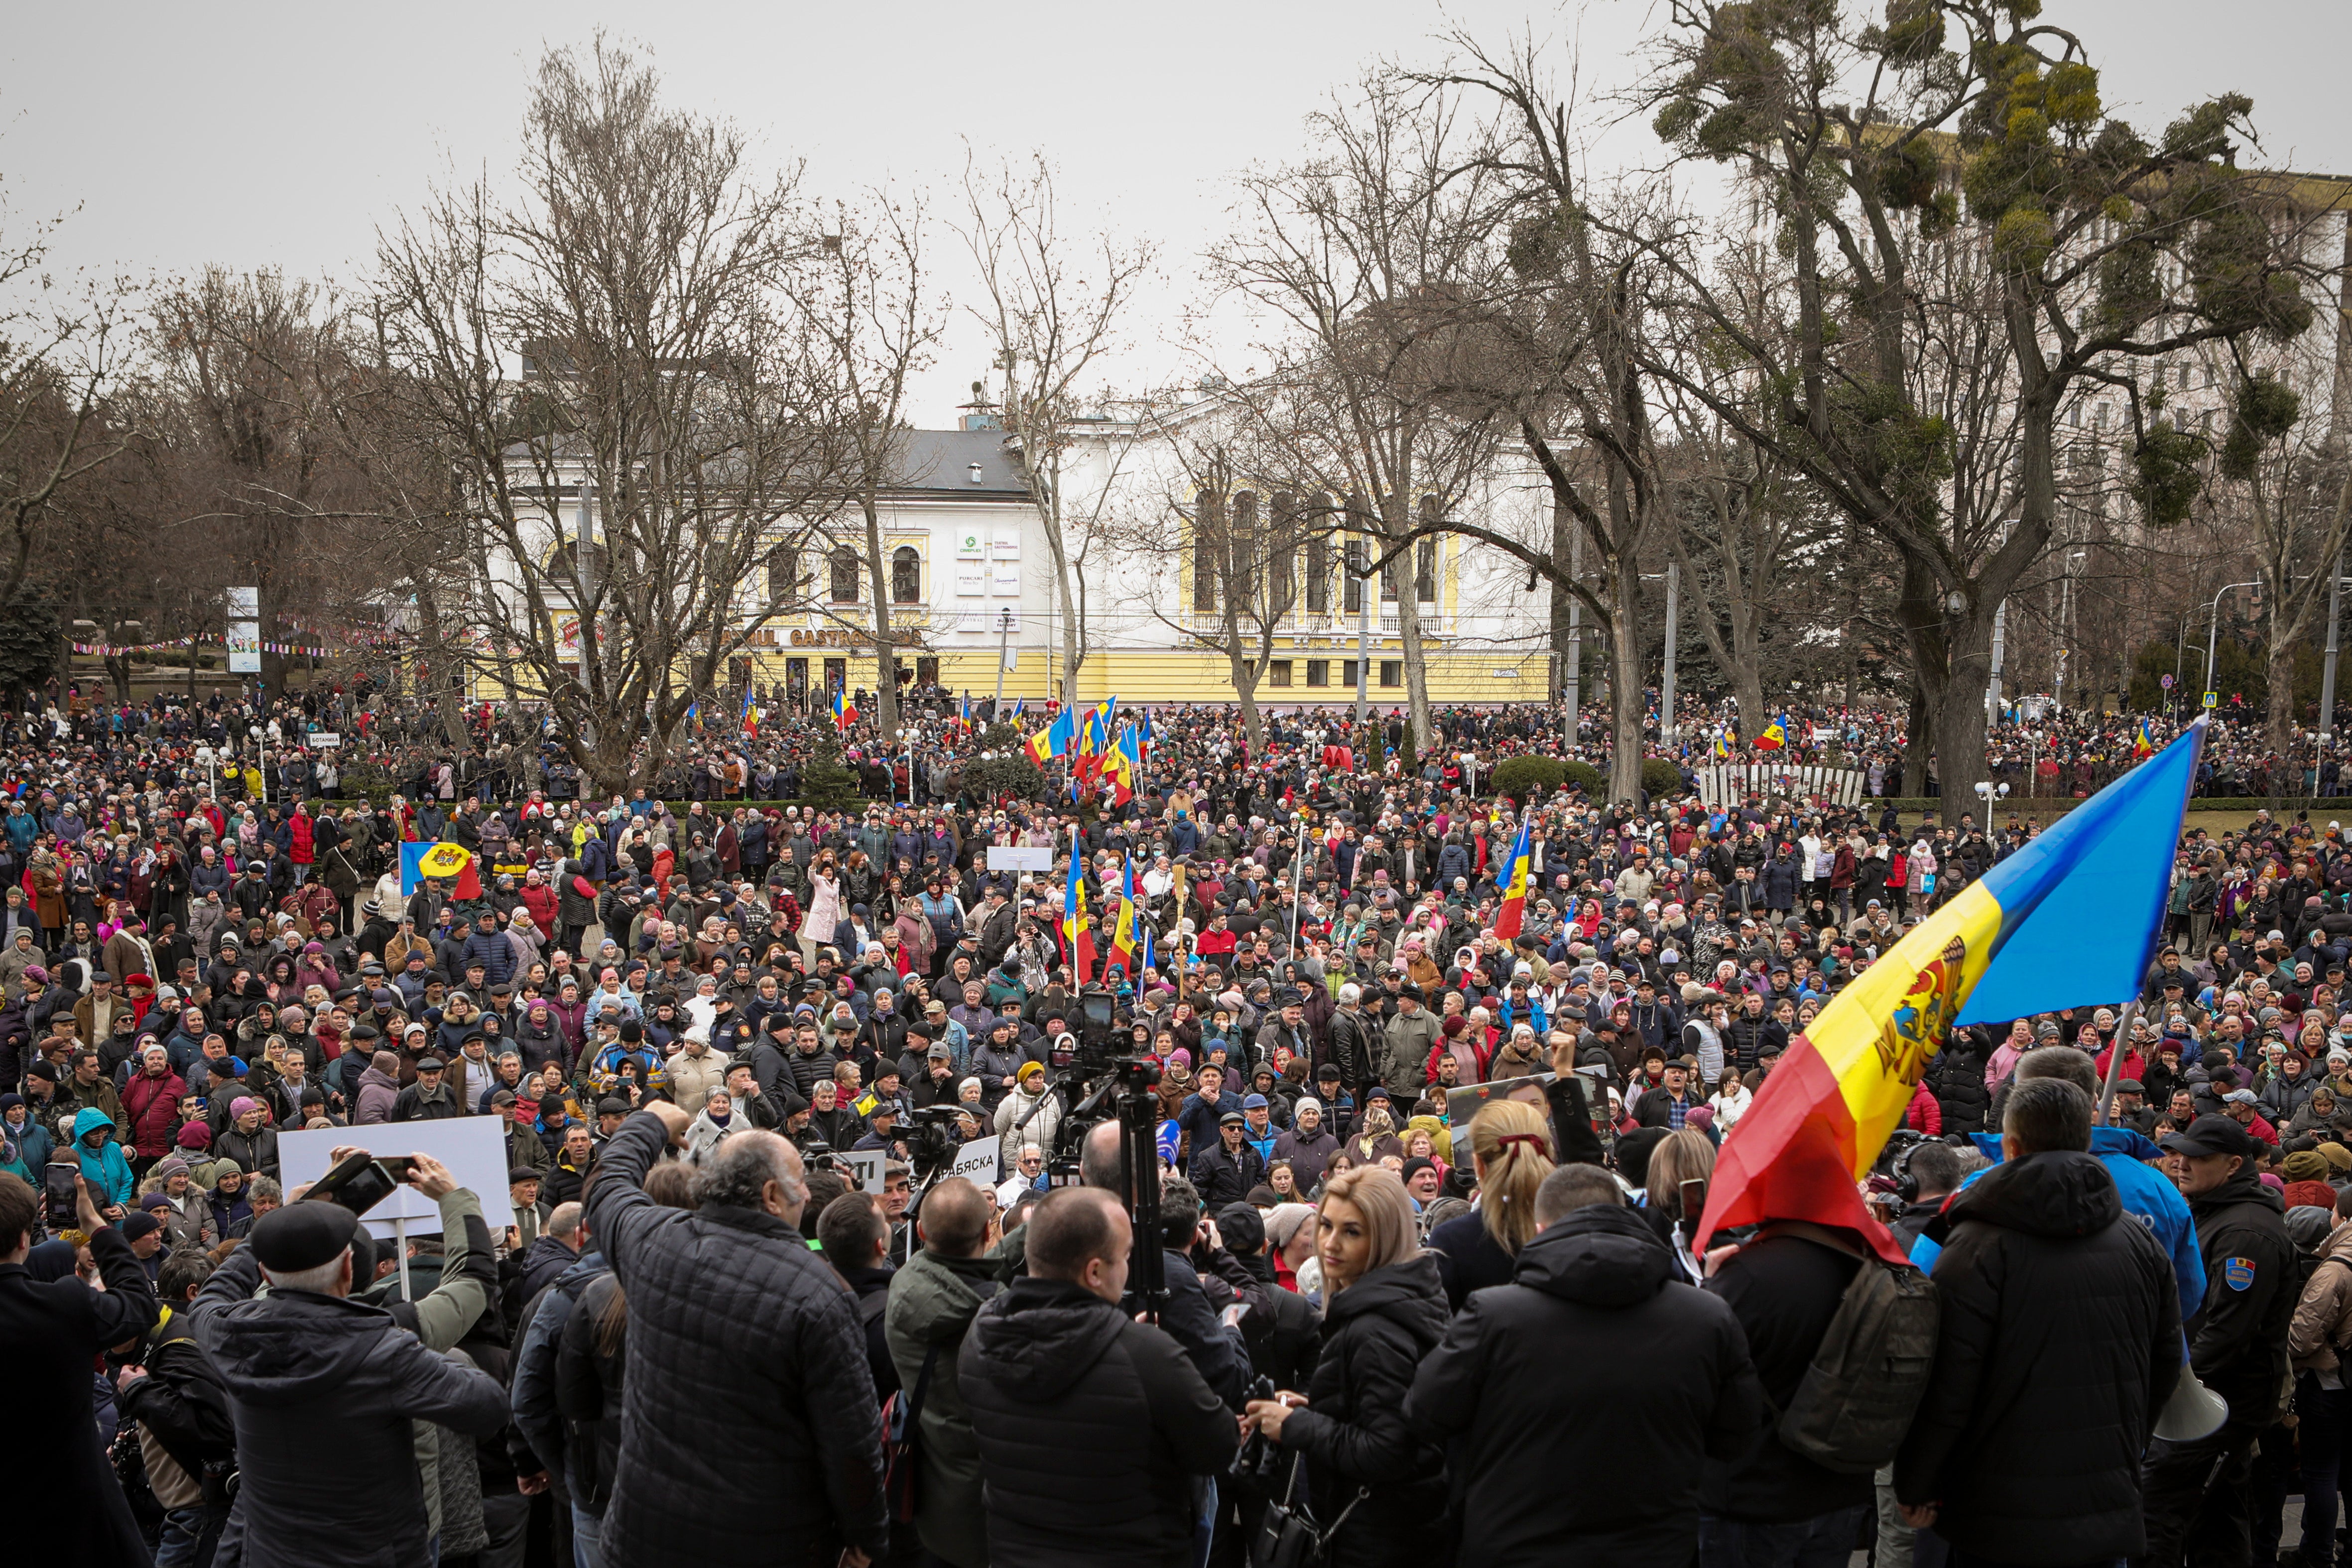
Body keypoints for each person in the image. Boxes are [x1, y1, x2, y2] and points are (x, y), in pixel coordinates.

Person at [1403, 1162, 1761, 1565]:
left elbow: (1424, 1412)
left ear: (1539, 1230)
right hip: (1654, 1547)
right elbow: (1737, 1434)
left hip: (1519, 1545)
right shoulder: (1705, 1317)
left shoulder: (1493, 1317)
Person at [582, 1099, 888, 1568]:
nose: (807, 1194)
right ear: (770, 1195)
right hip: (766, 1543)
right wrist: (865, 1536)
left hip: (645, 1535)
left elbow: (606, 1186)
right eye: (800, 1184)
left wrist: (649, 1123)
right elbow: (851, 1443)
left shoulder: (652, 1241)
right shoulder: (820, 1293)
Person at [1893, 1078, 2183, 1566]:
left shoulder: (1974, 1243)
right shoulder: (2138, 1239)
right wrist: (2124, 1445)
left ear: (2010, 1144)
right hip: (2102, 1498)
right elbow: (2166, 1361)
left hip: (1995, 1512)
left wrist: (1918, 1481)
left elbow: (1947, 1381)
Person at [190, 1156, 510, 1568]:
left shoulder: (226, 1334)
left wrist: (292, 1221)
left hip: (272, 1554)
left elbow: (216, 1292)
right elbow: (487, 1403)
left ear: (266, 1275)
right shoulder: (387, 1348)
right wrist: (455, 1198)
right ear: (348, 1267)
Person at [959, 1186, 1238, 1568]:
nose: (1128, 1268)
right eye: (1124, 1256)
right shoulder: (1148, 1356)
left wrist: (1125, 1342)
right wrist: (1141, 1349)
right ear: (1094, 1271)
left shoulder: (979, 1337)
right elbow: (1218, 1446)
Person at [1241, 1166, 1448, 1568]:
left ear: (1383, 1238)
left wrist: (1295, 1425)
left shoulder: (1375, 1328)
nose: (1329, 1244)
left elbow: (1387, 1450)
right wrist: (1315, 1406)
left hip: (1379, 1535)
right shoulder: (1392, 1303)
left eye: (1351, 1231)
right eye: (1326, 1226)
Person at [2142, 1111, 2299, 1567]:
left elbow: (2227, 1334)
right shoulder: (2217, 1215)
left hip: (2215, 1401)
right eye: (2179, 1154)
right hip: (2212, 1397)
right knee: (2218, 1518)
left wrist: (2170, 1390)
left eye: (2199, 1157)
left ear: (2233, 1165)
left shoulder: (2243, 1231)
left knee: (2158, 1509)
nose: (2182, 1164)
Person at [0, 1169, 158, 1567]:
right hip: (75, 1518)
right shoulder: (63, 1304)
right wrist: (100, 1229)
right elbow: (140, 1306)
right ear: (25, 1239)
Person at [882, 1175, 1000, 1568]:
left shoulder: (903, 1289)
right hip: (1004, 1505)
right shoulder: (1006, 1318)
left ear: (919, 1230)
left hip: (940, 1507)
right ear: (988, 1229)